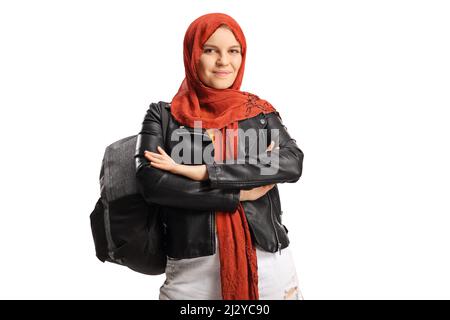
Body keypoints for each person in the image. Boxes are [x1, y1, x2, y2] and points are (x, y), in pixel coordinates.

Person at [135, 12, 304, 300]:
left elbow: (291, 162)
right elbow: (151, 182)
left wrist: (205, 171)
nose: (224, 61)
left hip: (268, 263)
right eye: (210, 50)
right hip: (191, 271)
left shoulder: (259, 112)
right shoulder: (162, 115)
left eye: (233, 51)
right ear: (192, 54)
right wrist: (236, 195)